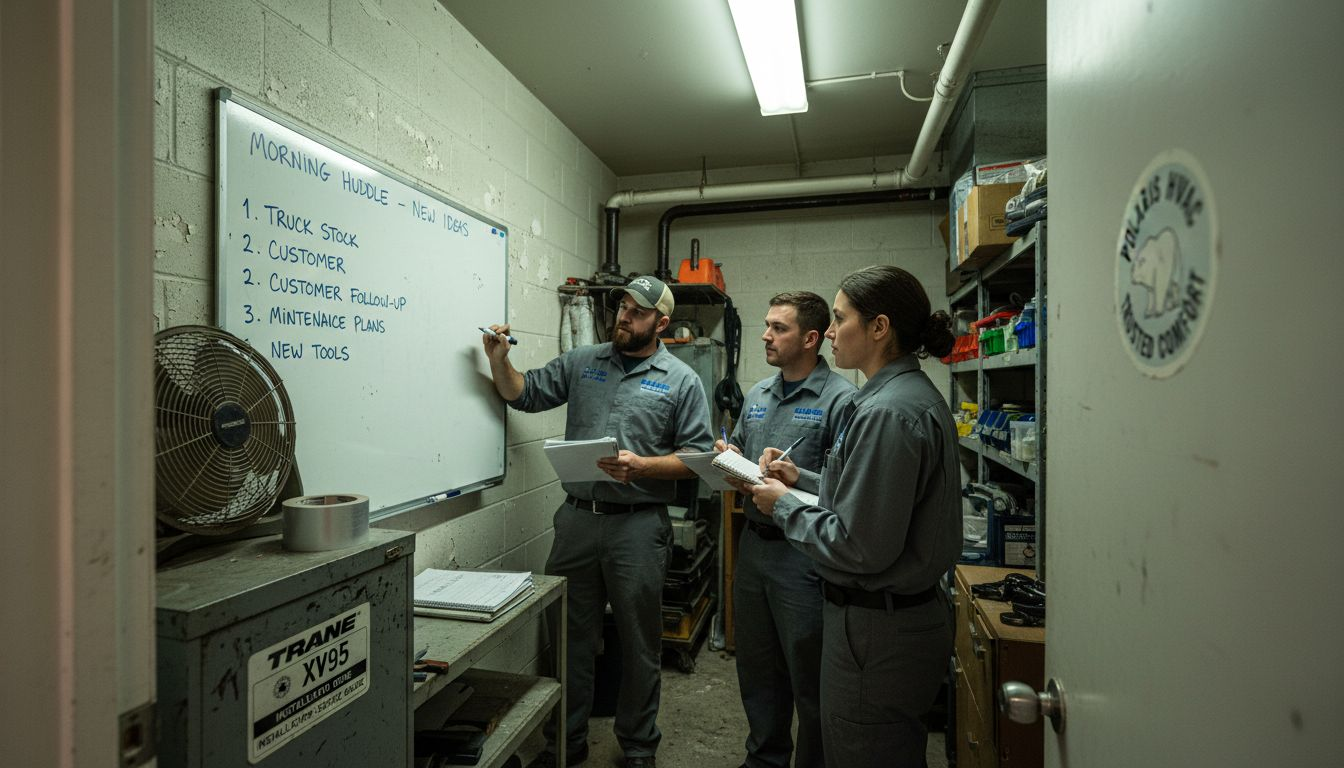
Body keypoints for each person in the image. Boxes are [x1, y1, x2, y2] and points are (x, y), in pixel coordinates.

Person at [730, 265, 961, 768]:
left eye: (839, 318)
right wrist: (802, 480)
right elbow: (866, 496)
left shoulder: (885, 412)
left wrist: (782, 504)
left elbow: (858, 543)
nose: (831, 331)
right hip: (890, 616)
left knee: (862, 748)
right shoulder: (900, 398)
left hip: (879, 625)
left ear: (879, 327)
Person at [482, 275, 713, 768]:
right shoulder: (582, 362)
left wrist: (643, 466)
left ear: (661, 323)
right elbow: (523, 393)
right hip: (578, 524)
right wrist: (499, 360)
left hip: (638, 526)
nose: (624, 316)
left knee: (639, 643)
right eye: (622, 306)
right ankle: (565, 742)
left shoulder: (682, 380)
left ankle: (637, 745)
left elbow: (696, 457)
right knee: (567, 639)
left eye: (637, 311)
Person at [715, 292, 855, 768]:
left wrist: (795, 482)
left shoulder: (842, 400)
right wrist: (725, 457)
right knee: (758, 671)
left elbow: (850, 491)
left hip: (805, 557)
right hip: (755, 549)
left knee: (810, 678)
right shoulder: (757, 394)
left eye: (779, 328)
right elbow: (736, 453)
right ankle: (765, 760)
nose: (765, 335)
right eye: (767, 325)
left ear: (811, 338)